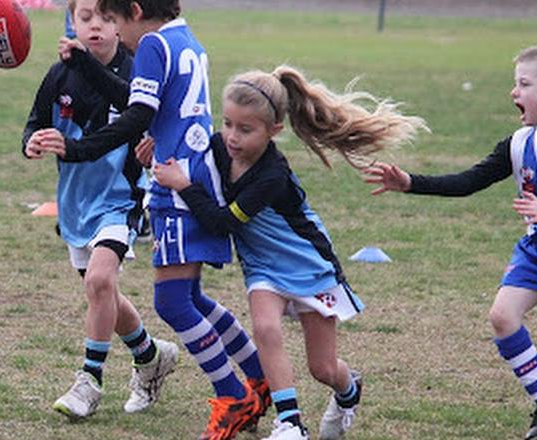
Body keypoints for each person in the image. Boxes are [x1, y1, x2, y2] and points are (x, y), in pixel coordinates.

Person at [34, 0, 269, 439]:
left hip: (176, 185)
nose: (114, 31)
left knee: (172, 303)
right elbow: (146, 106)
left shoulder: (153, 47)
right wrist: (83, 63)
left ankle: (232, 394)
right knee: (191, 297)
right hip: (196, 174)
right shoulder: (186, 40)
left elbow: (135, 116)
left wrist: (78, 148)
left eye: (116, 20)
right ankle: (259, 380)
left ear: (136, 11)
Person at [153, 65, 427, 440]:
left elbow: (221, 222)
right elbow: (184, 151)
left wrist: (183, 186)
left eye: (245, 129)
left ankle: (350, 390)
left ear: (274, 131)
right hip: (263, 268)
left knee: (324, 369)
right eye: (228, 123)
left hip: (307, 265)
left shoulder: (271, 175)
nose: (231, 137)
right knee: (265, 327)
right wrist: (152, 154)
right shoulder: (220, 147)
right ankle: (290, 423)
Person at [364, 43, 537, 440]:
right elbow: (468, 182)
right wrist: (410, 183)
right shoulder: (517, 144)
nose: (513, 92)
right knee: (503, 316)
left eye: (523, 83)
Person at [22, 0, 178, 420]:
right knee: (102, 293)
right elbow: (35, 122)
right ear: (71, 21)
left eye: (104, 17)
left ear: (121, 21)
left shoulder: (135, 73)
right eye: (84, 16)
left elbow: (138, 111)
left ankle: (89, 381)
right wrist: (32, 141)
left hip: (121, 198)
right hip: (75, 202)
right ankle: (151, 356)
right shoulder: (59, 76)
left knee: (99, 281)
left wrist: (149, 151)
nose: (94, 26)